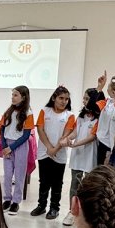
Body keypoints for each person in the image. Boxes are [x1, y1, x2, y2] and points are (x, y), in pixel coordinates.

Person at [62, 88, 104, 226]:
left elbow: (92, 137)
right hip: (78, 154)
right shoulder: (81, 116)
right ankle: (72, 211)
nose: (84, 101)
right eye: (84, 98)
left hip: (90, 154)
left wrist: (75, 144)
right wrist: (68, 139)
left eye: (87, 99)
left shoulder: (99, 118)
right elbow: (75, 132)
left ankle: (88, 214)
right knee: (75, 183)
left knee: (90, 185)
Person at [32, 86, 75, 220]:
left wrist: (55, 149)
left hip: (59, 154)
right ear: (54, 98)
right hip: (44, 152)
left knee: (57, 182)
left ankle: (54, 208)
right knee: (43, 181)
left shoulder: (70, 115)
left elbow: (65, 135)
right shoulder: (45, 111)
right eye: (61, 98)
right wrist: (49, 148)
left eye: (66, 99)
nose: (64, 101)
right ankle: (41, 205)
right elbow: (40, 130)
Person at [0, 86, 34, 216]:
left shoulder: (28, 113)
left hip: (19, 145)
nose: (13, 97)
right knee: (8, 174)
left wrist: (11, 147)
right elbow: (2, 129)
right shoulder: (8, 112)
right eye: (12, 95)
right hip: (7, 146)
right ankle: (7, 199)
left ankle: (16, 202)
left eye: (16, 95)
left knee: (19, 175)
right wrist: (5, 146)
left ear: (23, 97)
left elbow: (26, 135)